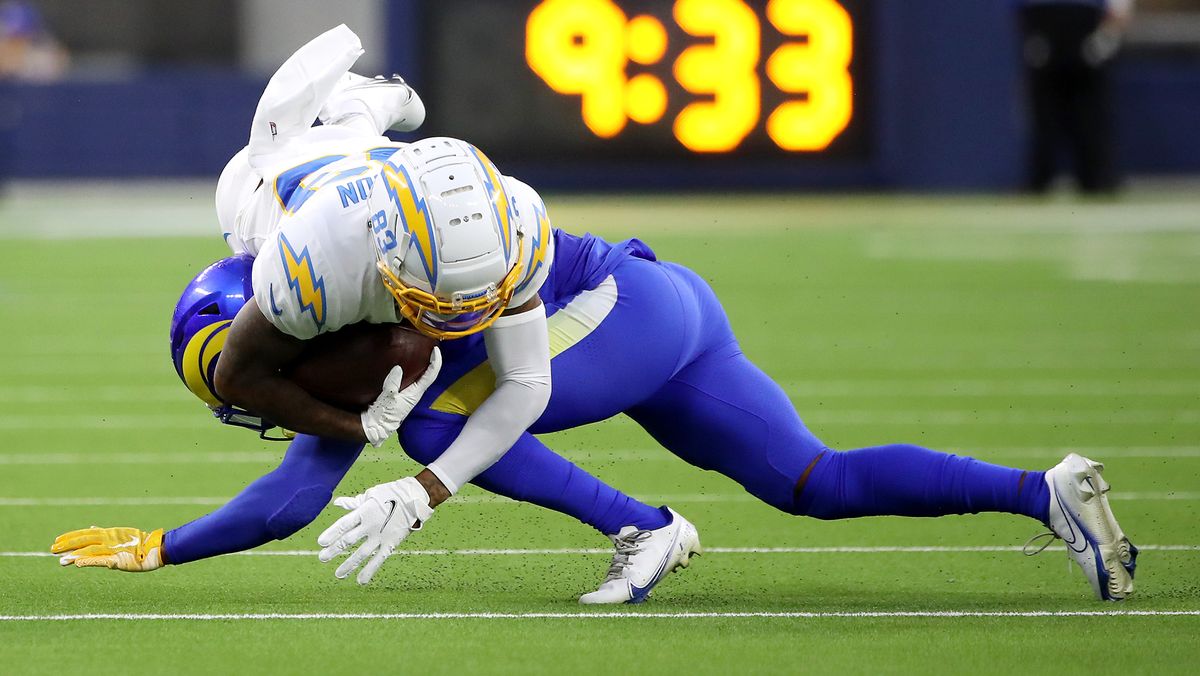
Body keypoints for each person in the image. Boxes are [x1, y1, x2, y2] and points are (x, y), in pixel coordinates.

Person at [51, 26, 1138, 604]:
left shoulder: (464, 235)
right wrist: (169, 545)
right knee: (813, 482)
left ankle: (649, 527)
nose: (440, 312)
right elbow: (287, 452)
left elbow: (512, 388)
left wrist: (424, 487)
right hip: (658, 306)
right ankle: (1043, 492)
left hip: (611, 306)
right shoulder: (304, 255)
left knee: (436, 418)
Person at [1018, 0, 1135, 193]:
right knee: (1045, 117)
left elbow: (1120, 8)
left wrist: (1107, 37)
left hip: (1087, 25)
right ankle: (1039, 182)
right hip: (1045, 24)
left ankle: (1096, 181)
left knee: (1091, 116)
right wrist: (1030, 33)